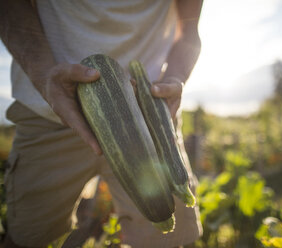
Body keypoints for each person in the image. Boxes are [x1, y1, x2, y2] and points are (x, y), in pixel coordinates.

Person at [0, 0, 203, 247]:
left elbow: (189, 31)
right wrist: (43, 76)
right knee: (27, 238)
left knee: (169, 242)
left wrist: (176, 77)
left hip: (148, 115)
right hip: (48, 110)